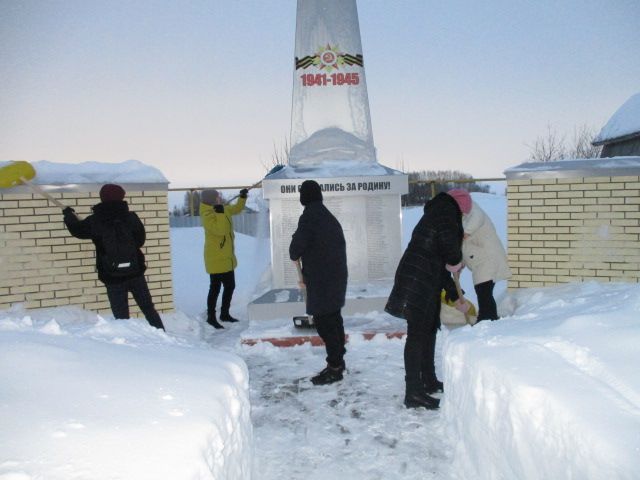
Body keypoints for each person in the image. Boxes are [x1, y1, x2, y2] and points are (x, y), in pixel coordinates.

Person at [385, 192, 468, 409]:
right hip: (417, 281)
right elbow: (449, 250)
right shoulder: (445, 212)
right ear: (459, 207)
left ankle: (428, 380)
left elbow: (439, 261)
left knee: (429, 329)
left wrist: (452, 291)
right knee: (417, 335)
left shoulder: (439, 212)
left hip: (424, 278)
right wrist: (456, 260)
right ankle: (413, 391)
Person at [62, 184, 165, 330]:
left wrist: (69, 215)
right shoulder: (131, 217)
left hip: (112, 275)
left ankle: (126, 344)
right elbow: (140, 240)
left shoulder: (95, 220)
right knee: (148, 308)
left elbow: (78, 231)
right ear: (121, 197)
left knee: (121, 314)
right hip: (135, 272)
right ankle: (163, 336)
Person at [289, 180, 348, 386]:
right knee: (334, 319)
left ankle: (334, 368)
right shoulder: (326, 215)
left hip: (323, 280)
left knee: (325, 323)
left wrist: (296, 244)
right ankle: (338, 361)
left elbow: (296, 249)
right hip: (335, 277)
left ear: (304, 197)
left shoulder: (309, 217)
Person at [447, 189, 511, 322]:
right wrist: (459, 265)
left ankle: (487, 319)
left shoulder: (475, 213)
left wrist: (459, 235)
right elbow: (464, 246)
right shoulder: (463, 216)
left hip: (488, 259)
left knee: (483, 291)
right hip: (480, 261)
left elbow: (465, 234)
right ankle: (488, 319)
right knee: (483, 292)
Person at [200, 188, 248, 329]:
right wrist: (220, 213)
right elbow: (221, 231)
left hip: (226, 257)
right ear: (212, 199)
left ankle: (224, 314)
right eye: (217, 197)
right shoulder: (207, 214)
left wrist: (242, 197)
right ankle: (211, 317)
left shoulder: (221, 209)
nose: (220, 198)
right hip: (216, 258)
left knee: (230, 286)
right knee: (215, 288)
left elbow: (237, 209)